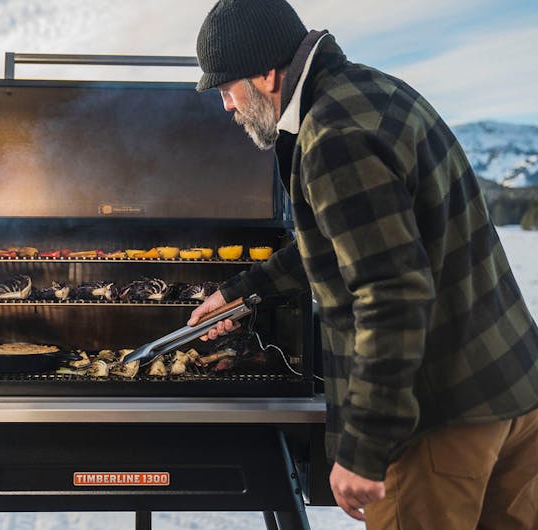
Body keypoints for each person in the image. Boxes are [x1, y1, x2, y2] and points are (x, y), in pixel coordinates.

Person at [188, 0, 538, 528]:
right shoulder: (373, 93)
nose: (226, 105)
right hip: (512, 391)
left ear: (264, 72)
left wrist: (366, 445)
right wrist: (247, 287)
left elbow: (392, 295)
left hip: (436, 425)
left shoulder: (333, 137)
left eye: (226, 87)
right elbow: (346, 241)